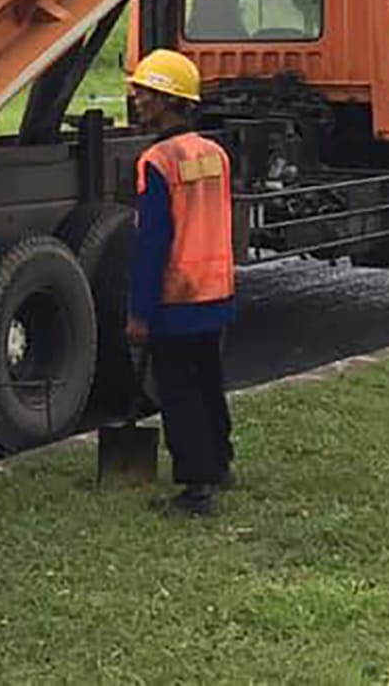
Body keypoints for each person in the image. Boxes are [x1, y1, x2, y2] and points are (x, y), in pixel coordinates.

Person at [124, 48, 236, 519]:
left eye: (146, 94)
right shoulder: (215, 154)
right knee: (209, 382)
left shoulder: (157, 161)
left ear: (169, 101)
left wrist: (139, 313)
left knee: (180, 393)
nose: (138, 101)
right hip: (216, 292)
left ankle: (196, 488)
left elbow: (152, 245)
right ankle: (221, 463)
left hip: (176, 297)